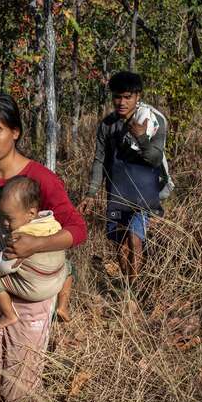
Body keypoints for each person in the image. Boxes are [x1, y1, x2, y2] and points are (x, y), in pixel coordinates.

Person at [0, 92, 86, 402]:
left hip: (30, 298)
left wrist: (33, 245)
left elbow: (78, 229)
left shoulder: (41, 179)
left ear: (15, 132)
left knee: (21, 387)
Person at [77, 71, 168, 280]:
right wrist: (91, 192)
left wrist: (142, 138)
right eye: (117, 96)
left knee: (135, 240)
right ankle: (127, 287)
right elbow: (99, 160)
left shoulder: (153, 122)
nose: (122, 102)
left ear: (138, 96)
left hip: (143, 192)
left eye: (128, 97)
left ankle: (134, 293)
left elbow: (155, 159)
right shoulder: (107, 125)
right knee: (119, 242)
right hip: (117, 192)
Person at [0, 175, 71, 331]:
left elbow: (4, 268)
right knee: (70, 268)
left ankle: (8, 314)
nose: (4, 223)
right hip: (57, 282)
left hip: (35, 290)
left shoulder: (19, 238)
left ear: (31, 213)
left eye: (8, 218)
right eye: (2, 217)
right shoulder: (51, 222)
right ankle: (63, 305)